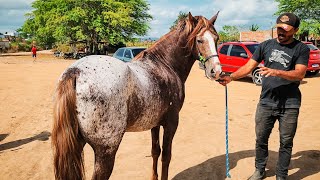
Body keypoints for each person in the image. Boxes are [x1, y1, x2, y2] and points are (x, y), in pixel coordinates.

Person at [218, 12, 309, 180]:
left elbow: (299, 74)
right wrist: (231, 77)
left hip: (290, 104)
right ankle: (259, 170)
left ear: (295, 30)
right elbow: (248, 66)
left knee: (286, 143)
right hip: (266, 102)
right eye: (279, 28)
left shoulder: (301, 48)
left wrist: (276, 71)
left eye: (286, 30)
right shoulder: (265, 45)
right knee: (261, 139)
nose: (281, 32)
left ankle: (281, 175)